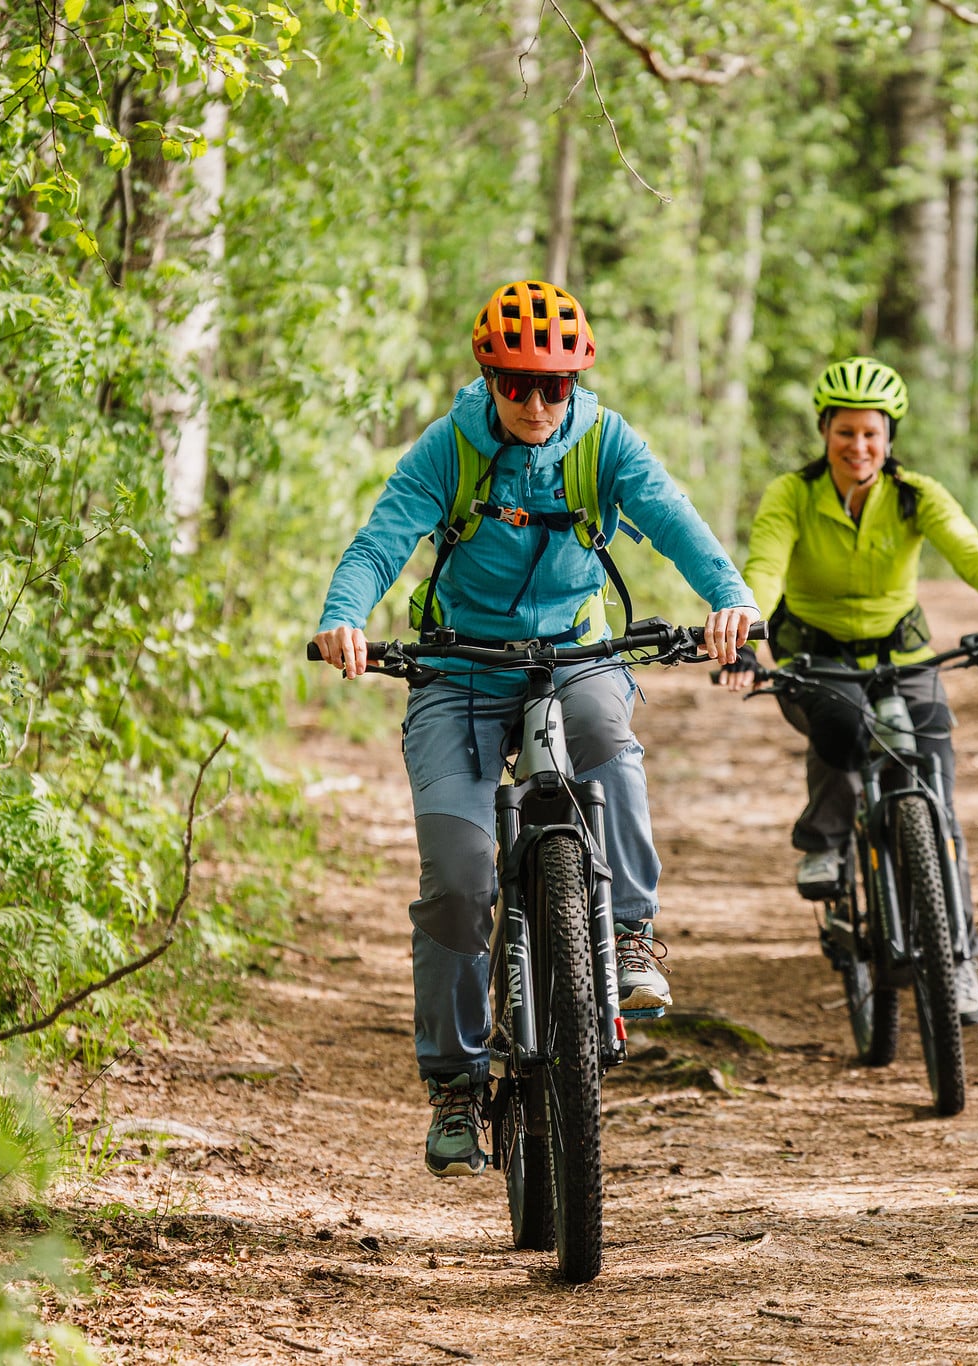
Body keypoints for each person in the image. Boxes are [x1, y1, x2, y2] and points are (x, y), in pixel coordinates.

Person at [312, 280, 758, 1177]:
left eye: (556, 386)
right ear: (489, 378)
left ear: (577, 383)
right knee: (458, 875)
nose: (538, 403)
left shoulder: (602, 440)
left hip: (576, 658)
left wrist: (731, 598)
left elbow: (676, 521)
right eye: (518, 384)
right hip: (460, 669)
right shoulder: (451, 447)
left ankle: (628, 933)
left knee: (609, 748)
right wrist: (344, 613)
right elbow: (380, 541)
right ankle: (455, 1085)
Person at [720, 356, 978, 1027]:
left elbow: (968, 546)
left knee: (938, 792)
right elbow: (765, 566)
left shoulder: (914, 494)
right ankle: (826, 843)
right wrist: (750, 635)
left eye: (871, 434)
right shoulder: (792, 495)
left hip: (903, 656)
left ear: (889, 436)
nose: (859, 447)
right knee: (842, 728)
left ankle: (958, 960)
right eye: (845, 433)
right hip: (815, 655)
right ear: (824, 432)